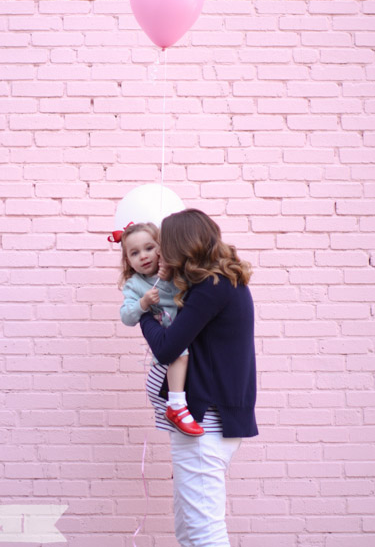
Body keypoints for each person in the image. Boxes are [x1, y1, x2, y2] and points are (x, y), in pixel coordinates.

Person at [140, 209, 258, 547]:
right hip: (211, 424)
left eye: (164, 246)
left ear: (180, 247)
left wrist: (143, 310)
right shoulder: (223, 283)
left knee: (204, 534)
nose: (160, 253)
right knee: (190, 532)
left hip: (205, 425)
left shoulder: (211, 288)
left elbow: (167, 348)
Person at [118, 221, 204, 436]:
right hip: (170, 343)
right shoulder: (134, 284)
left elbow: (189, 291)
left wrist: (167, 277)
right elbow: (127, 317)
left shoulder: (175, 271)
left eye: (149, 248)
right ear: (127, 260)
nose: (144, 256)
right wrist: (143, 303)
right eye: (134, 253)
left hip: (191, 337)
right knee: (178, 352)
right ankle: (175, 405)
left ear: (161, 248)